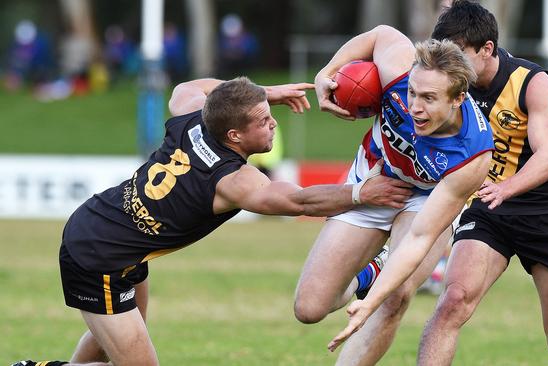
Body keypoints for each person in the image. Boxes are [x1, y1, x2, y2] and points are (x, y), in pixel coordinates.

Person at [330, 1, 548, 365]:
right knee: (452, 303)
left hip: (546, 212)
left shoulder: (532, 82)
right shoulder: (452, 86)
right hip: (487, 210)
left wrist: (505, 188)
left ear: (487, 50)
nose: (453, 64)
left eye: (460, 54)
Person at [11, 77, 414, 366]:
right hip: (97, 258)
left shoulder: (193, 118)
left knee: (113, 346)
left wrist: (263, 95)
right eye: (262, 119)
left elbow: (186, 89)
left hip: (109, 233)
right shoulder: (231, 181)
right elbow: (299, 200)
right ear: (235, 135)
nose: (273, 121)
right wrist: (363, 193)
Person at [293, 25, 493, 366]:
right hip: (375, 176)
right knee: (309, 308)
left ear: (459, 98)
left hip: (425, 200)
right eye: (413, 93)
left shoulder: (472, 155)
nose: (415, 106)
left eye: (429, 99)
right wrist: (325, 73)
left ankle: (382, 279)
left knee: (395, 297)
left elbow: (420, 237)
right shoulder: (400, 66)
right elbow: (379, 34)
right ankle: (370, 273)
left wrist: (369, 305)